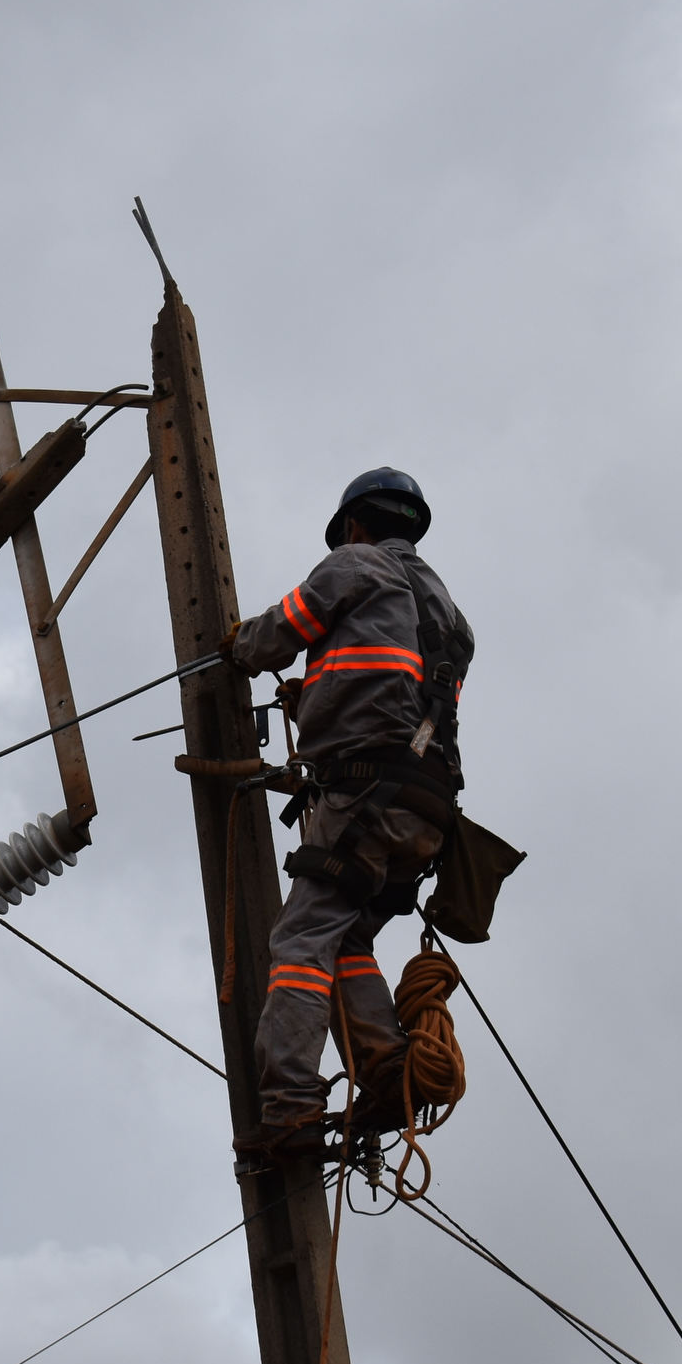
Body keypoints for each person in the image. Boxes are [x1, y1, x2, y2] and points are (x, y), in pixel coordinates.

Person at [223, 467, 475, 1164]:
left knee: (301, 943)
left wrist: (236, 644)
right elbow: (396, 691)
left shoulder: (354, 566)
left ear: (355, 526)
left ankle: (290, 1107)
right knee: (347, 939)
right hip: (427, 812)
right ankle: (386, 1069)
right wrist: (317, 694)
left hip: (365, 795)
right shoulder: (451, 617)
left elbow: (271, 639)